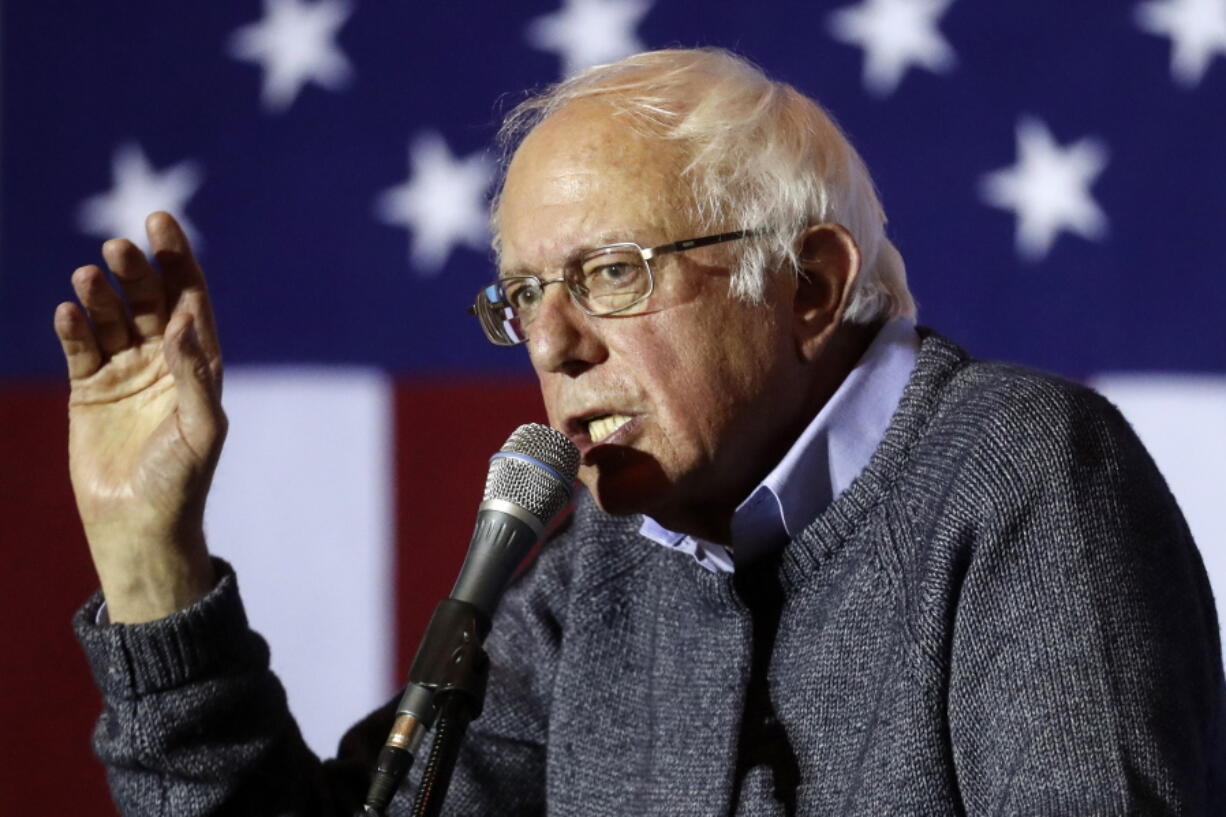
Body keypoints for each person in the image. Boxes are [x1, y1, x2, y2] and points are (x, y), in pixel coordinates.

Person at [59, 48, 1224, 816]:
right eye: (520, 295)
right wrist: (148, 559)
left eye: (610, 273)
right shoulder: (592, 575)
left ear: (808, 286)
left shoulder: (1021, 472)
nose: (550, 343)